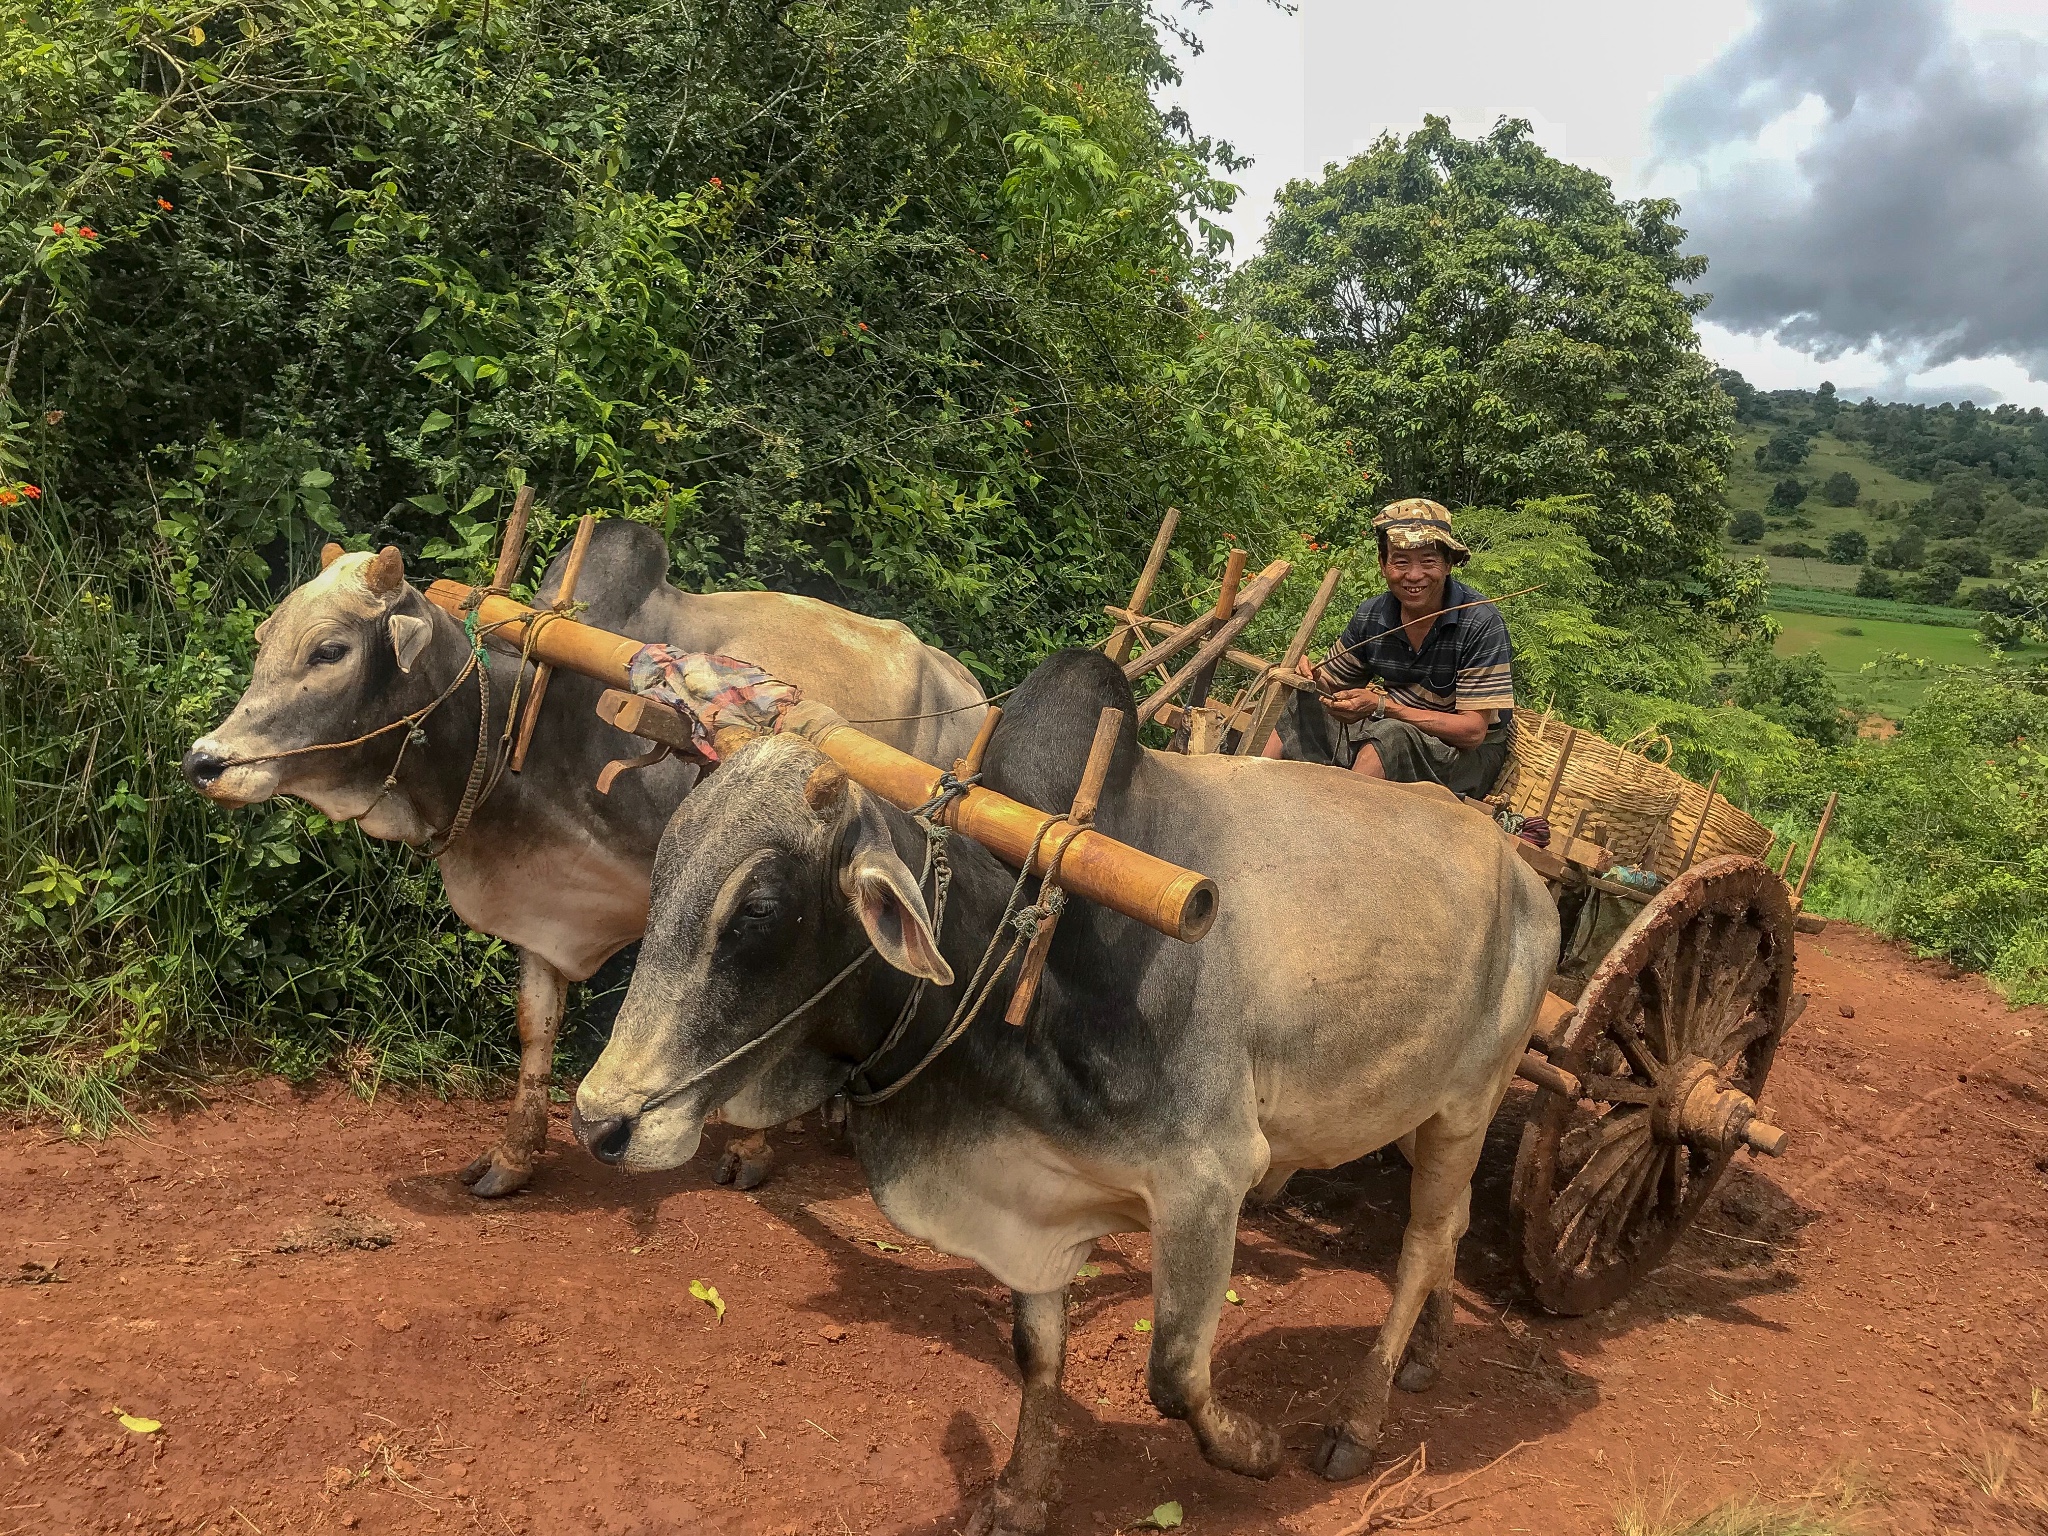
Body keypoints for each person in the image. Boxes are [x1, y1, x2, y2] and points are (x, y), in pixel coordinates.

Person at [1263, 498, 1515, 798]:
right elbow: (1331, 683)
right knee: (1303, 702)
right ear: (1383, 565)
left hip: (1464, 759)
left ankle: (1340, 822)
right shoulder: (1374, 615)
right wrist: (1311, 677)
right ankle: (1254, 789)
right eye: (1401, 561)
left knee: (1390, 736)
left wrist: (1385, 707)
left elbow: (1473, 732)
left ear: (1448, 565)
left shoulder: (1479, 622)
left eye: (1428, 560)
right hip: (1394, 729)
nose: (1414, 575)